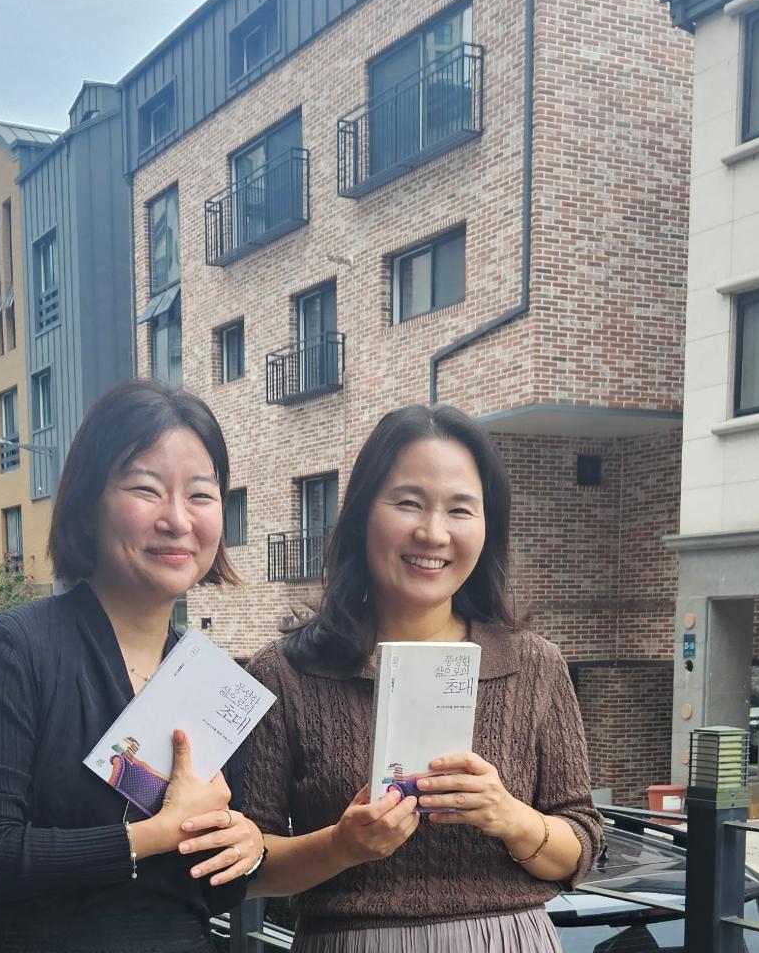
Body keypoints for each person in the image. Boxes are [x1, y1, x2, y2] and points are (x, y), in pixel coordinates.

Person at [242, 404, 603, 952]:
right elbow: (248, 865)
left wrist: (508, 815)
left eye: (460, 509)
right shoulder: (284, 673)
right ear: (363, 512)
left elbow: (581, 846)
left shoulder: (536, 665)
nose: (433, 533)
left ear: (487, 526)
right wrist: (342, 846)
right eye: (409, 503)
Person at [0, 380, 266, 953]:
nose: (177, 519)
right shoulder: (11, 650)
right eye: (146, 488)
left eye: (201, 495)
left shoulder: (213, 682)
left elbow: (212, 895)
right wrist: (153, 835)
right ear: (88, 505)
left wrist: (244, 845)